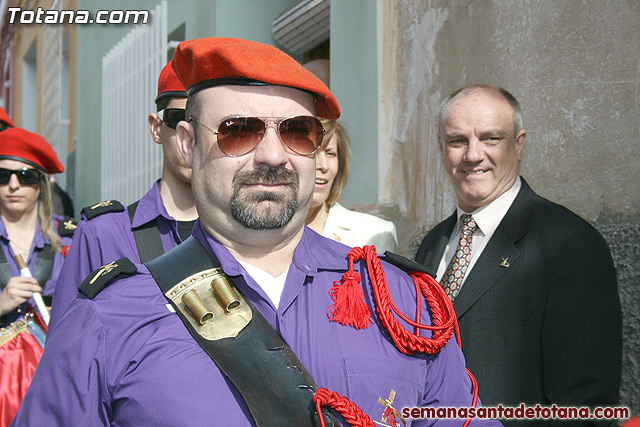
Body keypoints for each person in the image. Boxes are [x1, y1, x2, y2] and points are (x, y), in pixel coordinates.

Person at [12, 38, 499, 427]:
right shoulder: (110, 319)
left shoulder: (400, 304)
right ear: (187, 143)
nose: (272, 155)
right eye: (238, 130)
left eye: (297, 131)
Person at [414, 85, 622, 424]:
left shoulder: (570, 245)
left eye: (491, 138)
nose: (473, 155)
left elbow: (586, 407)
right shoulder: (433, 243)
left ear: (519, 143)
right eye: (457, 141)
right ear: (440, 146)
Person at [47, 62, 195, 331]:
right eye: (179, 119)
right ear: (156, 127)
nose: (190, 136)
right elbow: (65, 347)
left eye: (204, 122)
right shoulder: (102, 234)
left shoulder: (244, 236)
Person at [0, 127, 71, 326]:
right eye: (3, 176)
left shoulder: (71, 237)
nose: (13, 185)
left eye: (25, 176)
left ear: (41, 184)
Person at [305, 119, 398, 252]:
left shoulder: (375, 234)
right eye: (313, 151)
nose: (324, 165)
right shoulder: (266, 234)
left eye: (330, 153)